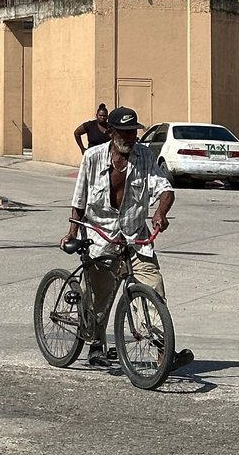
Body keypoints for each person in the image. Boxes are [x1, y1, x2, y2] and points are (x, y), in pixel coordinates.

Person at [62, 104, 189, 370]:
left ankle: (163, 351)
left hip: (135, 239)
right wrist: (72, 232)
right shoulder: (93, 158)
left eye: (133, 132)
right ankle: (96, 346)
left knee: (153, 288)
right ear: (111, 132)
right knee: (98, 298)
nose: (131, 138)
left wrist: (160, 213)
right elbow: (79, 199)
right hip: (100, 239)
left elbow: (165, 189)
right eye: (125, 132)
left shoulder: (144, 157)